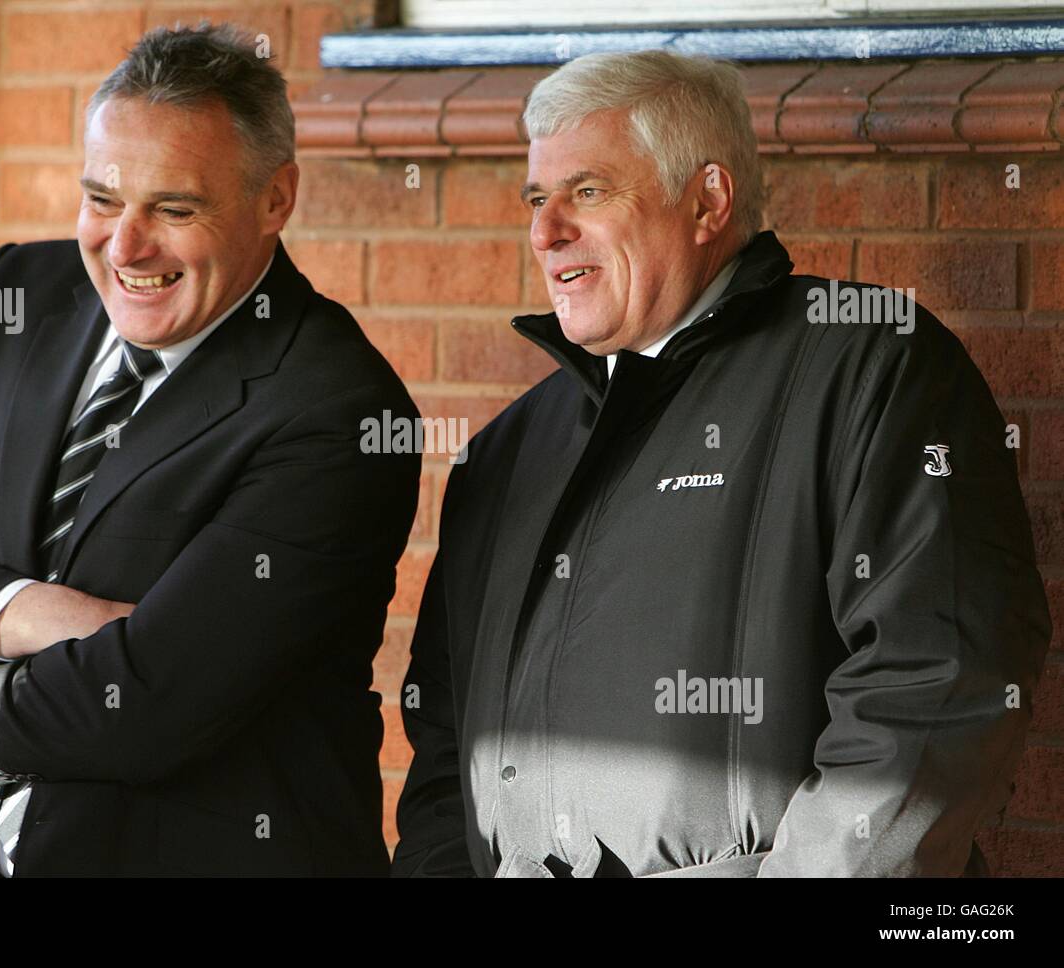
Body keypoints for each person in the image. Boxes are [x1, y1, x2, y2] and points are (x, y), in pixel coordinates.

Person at [390, 49, 1051, 877]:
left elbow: (933, 685)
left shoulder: (870, 370)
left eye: (587, 192)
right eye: (536, 198)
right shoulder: (507, 450)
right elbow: (446, 745)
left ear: (707, 201)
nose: (545, 230)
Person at [0, 23, 420, 876]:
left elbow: (150, 704)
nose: (126, 248)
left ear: (276, 199)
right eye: (103, 199)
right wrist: (23, 611)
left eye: (173, 207)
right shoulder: (21, 295)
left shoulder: (338, 407)